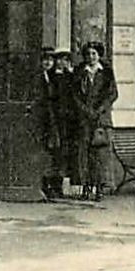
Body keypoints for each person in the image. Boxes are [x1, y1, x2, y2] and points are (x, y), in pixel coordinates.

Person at [71, 42, 117, 201]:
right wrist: (85, 110)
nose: (91, 57)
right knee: (84, 155)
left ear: (99, 55)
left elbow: (112, 94)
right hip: (84, 119)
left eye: (94, 54)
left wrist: (100, 110)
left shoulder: (106, 72)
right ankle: (86, 187)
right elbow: (74, 95)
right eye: (88, 54)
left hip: (101, 120)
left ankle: (100, 189)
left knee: (100, 155)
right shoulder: (79, 72)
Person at [36, 50, 64, 199]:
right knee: (45, 153)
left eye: (51, 60)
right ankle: (44, 186)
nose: (48, 63)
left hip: (55, 121)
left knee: (56, 154)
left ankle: (56, 187)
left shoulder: (56, 78)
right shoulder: (37, 78)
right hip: (43, 120)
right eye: (45, 60)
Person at [52, 49, 77, 192]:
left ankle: (63, 185)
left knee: (66, 153)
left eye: (66, 60)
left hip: (69, 121)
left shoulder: (71, 77)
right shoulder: (53, 76)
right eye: (60, 60)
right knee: (57, 153)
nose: (62, 63)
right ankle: (55, 185)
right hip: (57, 119)